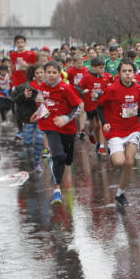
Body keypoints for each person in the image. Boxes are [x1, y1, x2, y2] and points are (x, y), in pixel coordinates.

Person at [97, 61, 140, 207]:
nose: (127, 74)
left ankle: (120, 192)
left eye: (130, 71)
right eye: (124, 71)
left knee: (129, 162)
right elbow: (100, 107)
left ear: (134, 73)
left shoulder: (139, 89)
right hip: (115, 130)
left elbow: (139, 110)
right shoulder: (112, 89)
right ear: (119, 73)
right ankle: (112, 150)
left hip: (133, 129)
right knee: (119, 162)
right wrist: (104, 122)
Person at [36, 61, 84, 205]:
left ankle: (59, 164)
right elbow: (41, 104)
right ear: (44, 73)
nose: (51, 75)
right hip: (50, 127)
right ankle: (57, 190)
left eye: (54, 72)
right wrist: (38, 113)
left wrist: (66, 118)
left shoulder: (66, 88)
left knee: (67, 160)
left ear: (59, 74)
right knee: (57, 155)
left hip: (68, 129)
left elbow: (78, 108)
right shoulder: (41, 87)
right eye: (48, 72)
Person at [12, 64, 46, 173]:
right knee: (27, 142)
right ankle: (27, 152)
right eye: (37, 73)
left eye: (42, 72)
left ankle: (36, 163)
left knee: (40, 140)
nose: (40, 75)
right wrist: (24, 96)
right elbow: (15, 100)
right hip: (29, 118)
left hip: (43, 117)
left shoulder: (49, 85)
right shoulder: (27, 86)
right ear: (34, 75)